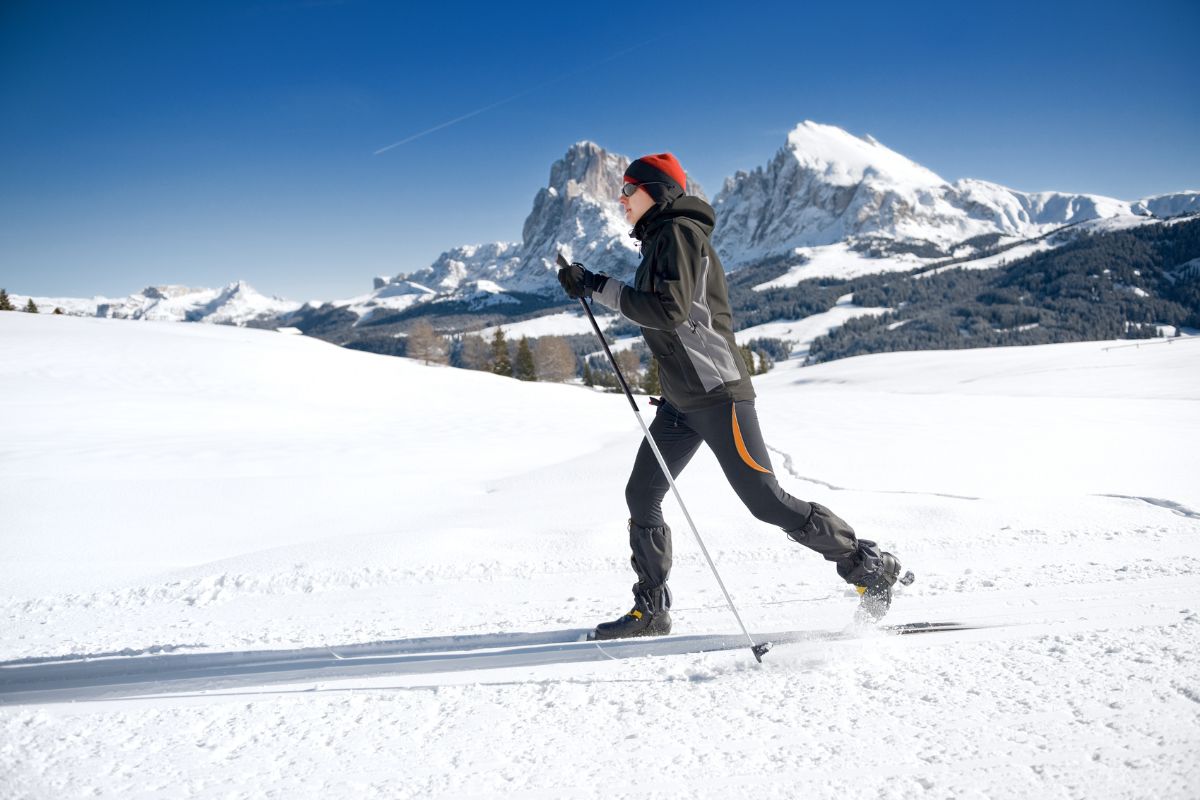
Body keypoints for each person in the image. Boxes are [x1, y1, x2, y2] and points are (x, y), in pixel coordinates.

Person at [557, 152, 906, 640]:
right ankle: (652, 610)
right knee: (642, 493)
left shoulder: (678, 233)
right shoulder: (660, 238)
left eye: (629, 189)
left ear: (656, 192)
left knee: (766, 502)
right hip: (682, 402)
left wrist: (596, 285)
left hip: (719, 396)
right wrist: (594, 287)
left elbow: (670, 311)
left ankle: (866, 564)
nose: (621, 198)